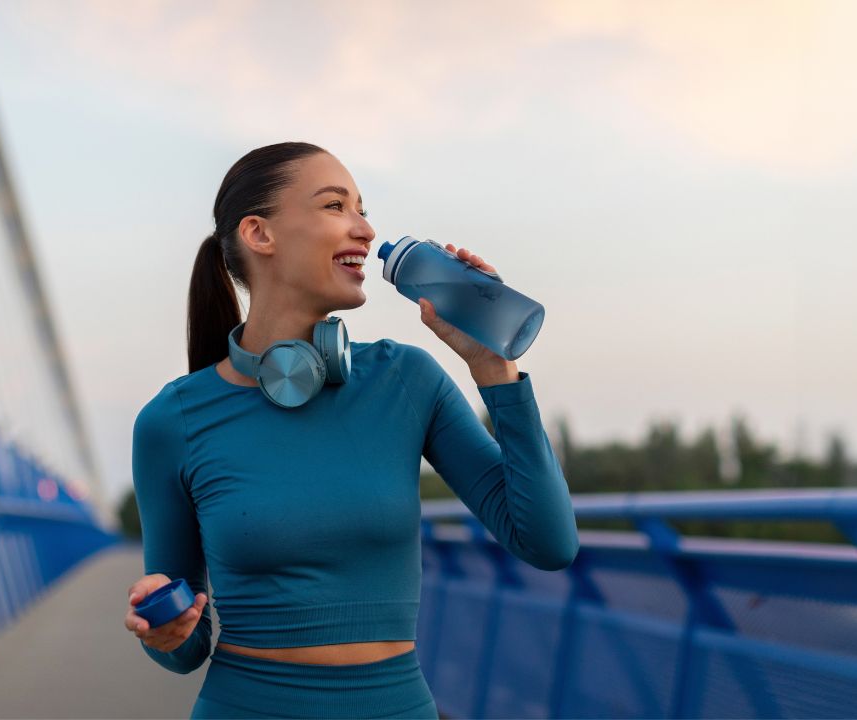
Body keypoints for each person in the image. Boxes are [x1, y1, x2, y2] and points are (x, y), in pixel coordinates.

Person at [121, 141, 580, 719]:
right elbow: (185, 649)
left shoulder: (407, 380)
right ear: (259, 234)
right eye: (336, 206)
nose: (365, 229)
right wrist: (164, 631)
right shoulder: (173, 421)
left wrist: (495, 370)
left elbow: (549, 543)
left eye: (362, 208)